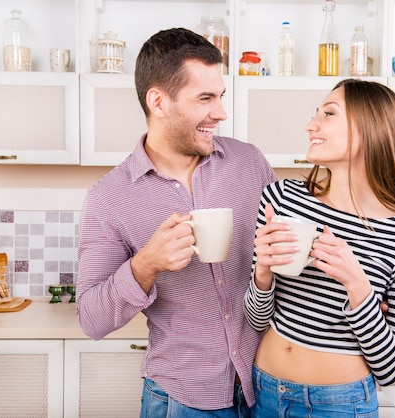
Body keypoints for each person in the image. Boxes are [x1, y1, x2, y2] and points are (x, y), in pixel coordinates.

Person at [76, 28, 277, 417]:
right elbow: (91, 319)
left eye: (220, 97)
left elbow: (281, 266)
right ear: (159, 101)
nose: (220, 112)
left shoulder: (250, 163)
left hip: (267, 388)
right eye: (205, 99)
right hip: (182, 400)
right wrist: (145, 264)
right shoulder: (108, 198)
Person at [244, 79, 395, 417]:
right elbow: (256, 319)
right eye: (315, 113)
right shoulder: (281, 199)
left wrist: (358, 286)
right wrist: (262, 272)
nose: (310, 125)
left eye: (328, 114)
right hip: (266, 392)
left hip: (339, 405)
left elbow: (393, 370)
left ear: (369, 129)